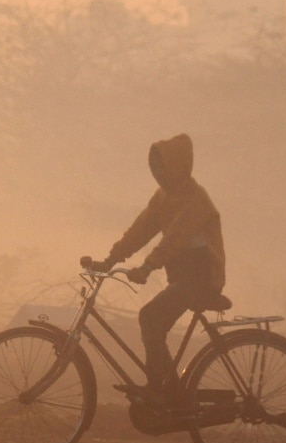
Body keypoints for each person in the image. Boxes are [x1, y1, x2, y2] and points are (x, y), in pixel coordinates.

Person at [88, 133, 226, 408]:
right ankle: (170, 392)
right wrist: (111, 259)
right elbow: (142, 229)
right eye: (155, 168)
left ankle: (159, 389)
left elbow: (173, 238)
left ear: (178, 166)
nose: (158, 174)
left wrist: (149, 266)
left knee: (150, 317)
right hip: (183, 278)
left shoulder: (194, 198)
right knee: (153, 322)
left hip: (201, 278)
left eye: (162, 167)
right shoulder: (164, 196)